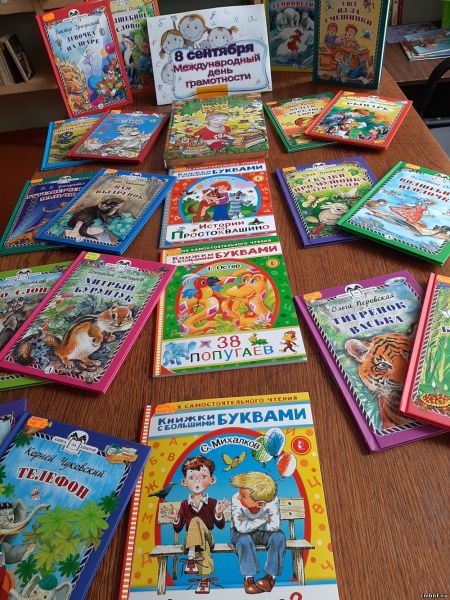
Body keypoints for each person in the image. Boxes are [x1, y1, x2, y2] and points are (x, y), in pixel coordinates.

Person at [161, 456, 229, 594]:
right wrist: (175, 518)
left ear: (212, 480)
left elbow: (221, 525)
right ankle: (204, 581)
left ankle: (191, 558)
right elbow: (178, 528)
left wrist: (219, 513)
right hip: (191, 540)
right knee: (202, 543)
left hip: (208, 536)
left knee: (196, 520)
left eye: (203, 476)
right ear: (184, 482)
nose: (197, 481)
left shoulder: (212, 503)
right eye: (192, 478)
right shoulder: (184, 504)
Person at [230, 472, 286, 595]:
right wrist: (262, 520)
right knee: (244, 539)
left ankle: (270, 578)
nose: (239, 497)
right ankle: (249, 579)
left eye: (243, 496)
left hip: (264, 533)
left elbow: (275, 526)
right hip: (239, 534)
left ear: (261, 503)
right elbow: (241, 528)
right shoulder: (236, 499)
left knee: (279, 536)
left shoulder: (272, 501)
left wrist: (249, 522)